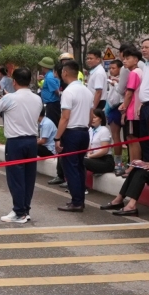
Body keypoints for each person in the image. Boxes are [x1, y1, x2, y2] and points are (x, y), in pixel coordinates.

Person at [0, 67, 42, 224]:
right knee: (28, 178)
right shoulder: (37, 98)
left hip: (16, 142)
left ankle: (19, 212)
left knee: (16, 178)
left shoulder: (9, 99)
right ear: (30, 81)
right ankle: (25, 209)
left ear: (14, 81)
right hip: (32, 141)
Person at [101, 114, 149, 217]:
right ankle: (119, 199)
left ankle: (131, 206)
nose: (148, 126)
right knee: (137, 168)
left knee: (142, 172)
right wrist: (147, 163)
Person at [55, 60, 93, 212]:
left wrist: (58, 137)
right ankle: (79, 200)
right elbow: (91, 117)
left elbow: (65, 118)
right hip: (84, 132)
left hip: (71, 133)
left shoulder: (68, 92)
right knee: (79, 166)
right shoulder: (87, 91)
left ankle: (76, 201)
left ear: (65, 72)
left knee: (71, 168)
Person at [120, 48, 144, 165]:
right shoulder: (139, 72)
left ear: (136, 60)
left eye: (127, 58)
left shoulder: (134, 73)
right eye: (124, 58)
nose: (124, 61)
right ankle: (132, 164)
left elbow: (129, 93)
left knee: (132, 139)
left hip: (132, 111)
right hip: (136, 110)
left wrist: (123, 106)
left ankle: (133, 165)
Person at [84, 108, 114, 176]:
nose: (92, 119)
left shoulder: (104, 130)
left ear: (101, 119)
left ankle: (80, 184)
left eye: (94, 117)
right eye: (91, 117)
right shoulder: (90, 130)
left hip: (105, 161)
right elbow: (89, 146)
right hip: (95, 159)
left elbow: (104, 151)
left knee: (83, 161)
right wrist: (89, 152)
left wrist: (91, 156)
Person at [38, 57, 61, 124]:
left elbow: (56, 91)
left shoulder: (49, 77)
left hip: (52, 104)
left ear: (45, 67)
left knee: (53, 122)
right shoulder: (49, 75)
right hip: (51, 103)